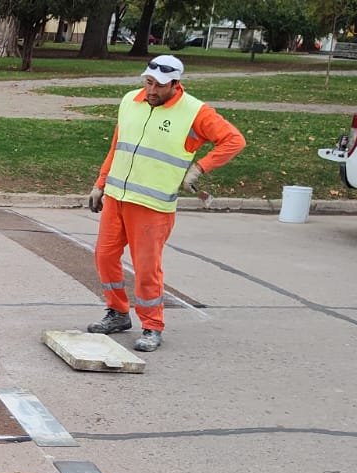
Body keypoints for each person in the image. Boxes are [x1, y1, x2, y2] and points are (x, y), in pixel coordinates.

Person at [85, 55, 245, 352]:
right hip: (117, 198)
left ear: (175, 84)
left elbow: (234, 140)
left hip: (153, 206)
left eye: (159, 86)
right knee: (104, 257)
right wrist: (100, 183)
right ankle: (118, 313)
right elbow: (117, 147)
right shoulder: (130, 101)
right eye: (148, 82)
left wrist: (200, 168)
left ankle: (152, 326)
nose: (151, 90)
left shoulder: (194, 112)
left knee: (146, 269)